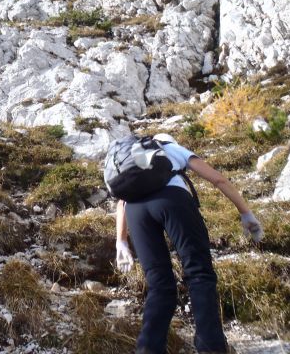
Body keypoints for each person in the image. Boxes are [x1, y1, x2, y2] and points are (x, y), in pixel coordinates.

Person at [112, 133, 263, 354]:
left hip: (135, 211)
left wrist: (121, 241)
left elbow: (121, 202)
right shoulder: (172, 148)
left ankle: (148, 349)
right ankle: (211, 347)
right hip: (172, 200)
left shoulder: (134, 162)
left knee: (159, 285)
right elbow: (218, 179)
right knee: (199, 273)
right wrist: (246, 213)